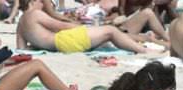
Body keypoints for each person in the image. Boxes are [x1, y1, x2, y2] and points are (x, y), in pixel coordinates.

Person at [16, 0, 150, 53]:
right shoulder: (35, 14)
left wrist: (39, 44)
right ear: (32, 1)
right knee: (111, 31)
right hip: (63, 42)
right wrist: (83, 27)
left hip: (56, 45)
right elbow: (60, 26)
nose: (43, 3)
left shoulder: (21, 22)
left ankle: (139, 44)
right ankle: (144, 51)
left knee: (102, 38)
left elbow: (21, 48)